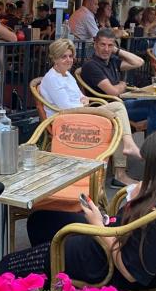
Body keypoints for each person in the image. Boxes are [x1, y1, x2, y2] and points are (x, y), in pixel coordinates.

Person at [0, 126, 156, 288]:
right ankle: (53, 279)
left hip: (105, 263)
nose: (145, 172)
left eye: (149, 166)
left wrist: (98, 226)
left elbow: (131, 272)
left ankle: (50, 267)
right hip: (113, 236)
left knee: (7, 265)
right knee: (42, 220)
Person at [38, 38, 141, 186]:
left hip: (79, 113)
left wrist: (83, 101)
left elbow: (82, 97)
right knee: (118, 107)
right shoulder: (52, 79)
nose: (68, 60)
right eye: (63, 57)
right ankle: (126, 152)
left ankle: (120, 172)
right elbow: (68, 108)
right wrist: (84, 104)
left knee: (117, 119)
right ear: (54, 58)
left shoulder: (67, 75)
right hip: (66, 120)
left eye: (70, 56)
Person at [81, 28, 156, 136]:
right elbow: (113, 92)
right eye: (103, 44)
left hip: (122, 102)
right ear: (95, 44)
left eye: (110, 45)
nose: (106, 49)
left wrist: (116, 50)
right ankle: (151, 148)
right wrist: (122, 85)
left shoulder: (112, 61)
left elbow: (139, 62)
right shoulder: (91, 65)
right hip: (109, 108)